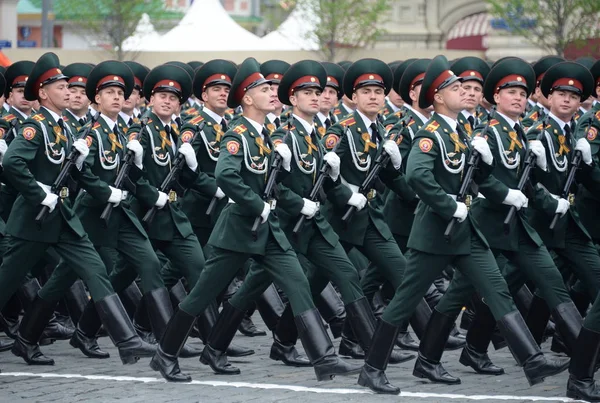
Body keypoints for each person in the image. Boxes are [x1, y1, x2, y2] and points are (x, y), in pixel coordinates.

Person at [356, 55, 569, 395]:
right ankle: (372, 368)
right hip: (434, 235)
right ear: (439, 96)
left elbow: (476, 178)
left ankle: (532, 360)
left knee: (496, 288)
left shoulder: (463, 131)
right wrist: (446, 204)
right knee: (405, 300)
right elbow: (418, 174)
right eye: (455, 87)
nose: (464, 92)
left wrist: (492, 174)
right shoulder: (432, 133)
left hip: (465, 231)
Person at [149, 57, 359, 383]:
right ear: (247, 97)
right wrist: (256, 203)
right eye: (264, 89)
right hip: (237, 226)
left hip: (268, 227)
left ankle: (324, 358)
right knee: (203, 293)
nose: (272, 93)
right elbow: (226, 174)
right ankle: (165, 354)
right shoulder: (239, 133)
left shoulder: (269, 133)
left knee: (298, 283)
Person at [0, 52, 155, 366]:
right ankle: (26, 340)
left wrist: (94, 177)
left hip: (63, 218)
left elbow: (75, 171)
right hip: (33, 220)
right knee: (7, 282)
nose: (67, 91)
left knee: (95, 270)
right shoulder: (37, 126)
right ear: (43, 92)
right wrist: (37, 192)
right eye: (59, 87)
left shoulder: (65, 129)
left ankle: (127, 341)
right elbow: (12, 163)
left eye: (68, 86)